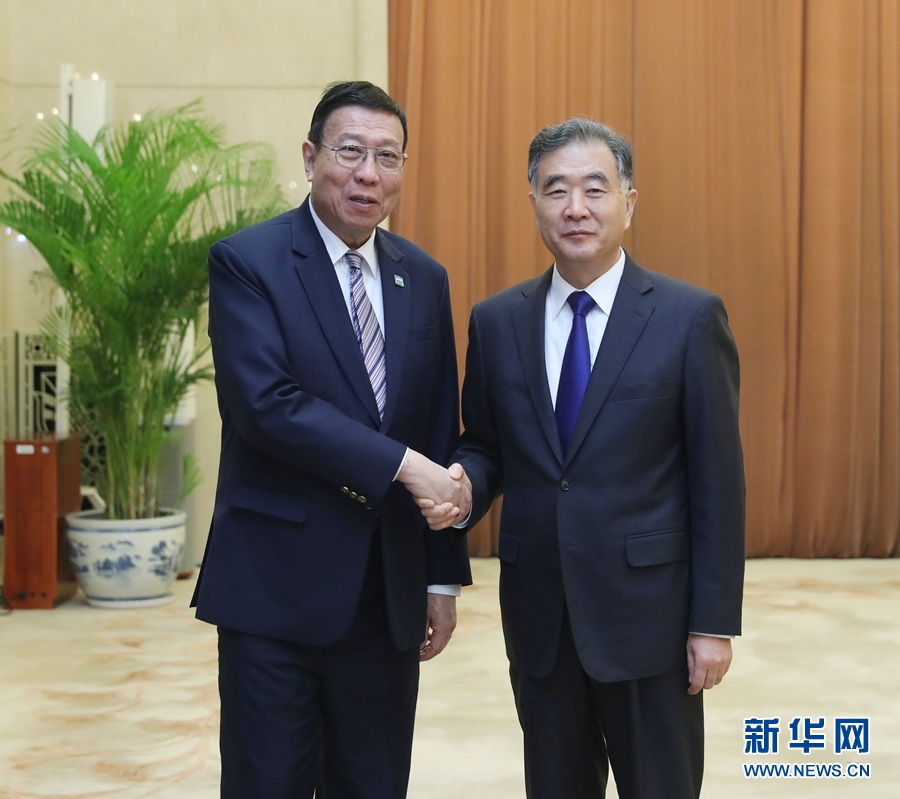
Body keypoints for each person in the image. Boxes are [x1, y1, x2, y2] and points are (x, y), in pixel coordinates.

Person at [422, 118, 745, 798]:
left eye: (595, 189)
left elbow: (718, 482)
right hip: (541, 618)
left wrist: (713, 624)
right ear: (534, 203)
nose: (576, 208)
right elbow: (486, 446)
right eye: (556, 189)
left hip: (650, 621)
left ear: (629, 202)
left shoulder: (688, 318)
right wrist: (463, 484)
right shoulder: (498, 321)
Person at [192, 80, 472, 799]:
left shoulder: (423, 277)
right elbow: (266, 406)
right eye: (350, 151)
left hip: (386, 597)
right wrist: (401, 465)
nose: (367, 174)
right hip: (274, 592)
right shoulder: (248, 261)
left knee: (374, 784)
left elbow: (436, 431)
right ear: (311, 156)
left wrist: (440, 579)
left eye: (388, 156)